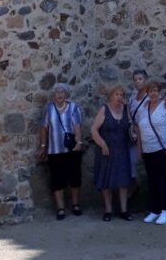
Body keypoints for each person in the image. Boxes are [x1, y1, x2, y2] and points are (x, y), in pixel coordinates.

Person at [37, 83, 84, 220]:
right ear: (53, 95)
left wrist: (79, 142)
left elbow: (77, 126)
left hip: (72, 149)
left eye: (62, 92)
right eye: (57, 92)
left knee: (75, 178)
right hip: (54, 150)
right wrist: (43, 146)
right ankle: (60, 208)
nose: (60, 94)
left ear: (66, 94)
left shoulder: (73, 107)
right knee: (57, 179)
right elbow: (44, 128)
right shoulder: (49, 108)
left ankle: (75, 204)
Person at [135, 79, 166, 225]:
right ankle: (155, 210)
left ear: (159, 92)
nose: (152, 93)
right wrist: (139, 149)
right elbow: (139, 130)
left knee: (163, 181)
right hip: (148, 151)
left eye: (155, 90)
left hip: (161, 149)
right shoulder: (143, 108)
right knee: (152, 181)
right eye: (150, 91)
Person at [90, 84, 133, 221]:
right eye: (116, 94)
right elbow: (94, 130)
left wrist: (128, 110)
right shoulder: (104, 109)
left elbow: (131, 125)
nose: (119, 97)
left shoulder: (126, 109)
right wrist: (102, 144)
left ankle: (124, 210)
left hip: (122, 149)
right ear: (111, 96)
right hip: (106, 150)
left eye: (121, 94)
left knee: (123, 180)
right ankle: (108, 210)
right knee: (106, 180)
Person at [128, 68, 149, 195]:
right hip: (135, 136)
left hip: (148, 135)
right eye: (135, 80)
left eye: (140, 79)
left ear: (145, 80)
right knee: (132, 162)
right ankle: (135, 186)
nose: (138, 82)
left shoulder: (150, 96)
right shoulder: (132, 97)